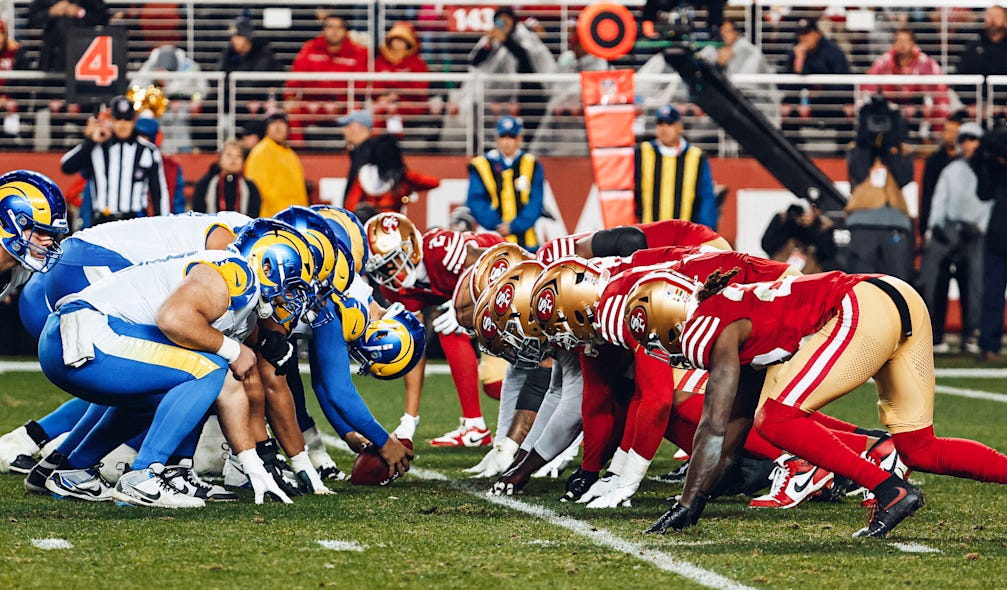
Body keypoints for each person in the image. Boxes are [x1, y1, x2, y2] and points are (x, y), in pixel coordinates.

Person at [643, 268, 1007, 538]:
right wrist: (698, 497)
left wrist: (688, 502)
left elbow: (713, 425)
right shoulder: (731, 313)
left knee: (775, 418)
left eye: (652, 339)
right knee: (920, 449)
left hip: (860, 307)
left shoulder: (703, 329)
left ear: (670, 323)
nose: (659, 350)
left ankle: (889, 489)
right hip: (898, 296)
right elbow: (735, 424)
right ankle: (893, 486)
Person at [35, 222, 313, 507]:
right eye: (293, 285)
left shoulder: (241, 300)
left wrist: (253, 464)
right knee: (209, 368)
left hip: (73, 337)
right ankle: (144, 475)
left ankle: (73, 470)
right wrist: (232, 349)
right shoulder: (236, 274)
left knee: (167, 390)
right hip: (85, 335)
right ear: (266, 266)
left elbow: (232, 391)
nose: (293, 297)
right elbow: (173, 319)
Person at [364, 212, 505, 447]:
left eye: (394, 261)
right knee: (494, 385)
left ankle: (480, 425)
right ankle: (475, 427)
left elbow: (499, 263)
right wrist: (409, 420)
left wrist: (469, 301)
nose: (391, 274)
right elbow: (414, 346)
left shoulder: (439, 248)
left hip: (510, 287)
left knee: (451, 329)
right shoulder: (395, 288)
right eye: (383, 268)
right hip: (483, 311)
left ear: (411, 247)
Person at [920, 122, 989, 354]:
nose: (968, 145)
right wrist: (934, 227)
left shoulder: (988, 169)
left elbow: (991, 202)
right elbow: (940, 199)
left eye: (972, 140)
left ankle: (972, 333)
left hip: (976, 231)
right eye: (964, 140)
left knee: (975, 281)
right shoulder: (951, 170)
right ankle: (931, 332)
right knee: (932, 275)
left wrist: (981, 227)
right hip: (949, 228)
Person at [60, 95, 170, 227]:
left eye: (127, 119)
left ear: (134, 120)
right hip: (102, 221)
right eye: (118, 119)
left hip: (135, 221)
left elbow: (159, 192)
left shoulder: (148, 151)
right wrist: (90, 142)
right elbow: (66, 166)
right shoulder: (96, 147)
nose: (123, 124)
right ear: (111, 120)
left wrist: (163, 225)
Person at [467, 116, 546, 251]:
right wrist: (496, 223)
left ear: (519, 139)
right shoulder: (481, 164)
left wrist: (515, 226)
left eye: (511, 137)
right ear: (497, 138)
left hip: (527, 241)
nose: (507, 142)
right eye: (503, 136)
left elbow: (536, 201)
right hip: (492, 238)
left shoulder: (532, 164)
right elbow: (475, 200)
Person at [286, 15, 368, 143]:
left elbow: (361, 85)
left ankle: (354, 151)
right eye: (330, 27)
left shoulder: (360, 52)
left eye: (339, 28)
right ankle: (298, 151)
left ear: (346, 31)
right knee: (292, 113)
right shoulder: (309, 48)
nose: (334, 31)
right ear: (323, 30)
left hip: (344, 104)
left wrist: (340, 99)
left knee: (358, 114)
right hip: (312, 102)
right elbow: (295, 78)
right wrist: (290, 98)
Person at [633, 105, 718, 229]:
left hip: (684, 235)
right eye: (660, 124)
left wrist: (704, 231)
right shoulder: (642, 153)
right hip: (647, 233)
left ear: (680, 127)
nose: (664, 129)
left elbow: (706, 198)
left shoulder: (696, 157)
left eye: (669, 124)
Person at [862, 28, 950, 138]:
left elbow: (938, 89)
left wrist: (925, 106)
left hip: (919, 108)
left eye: (905, 41)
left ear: (913, 43)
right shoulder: (883, 62)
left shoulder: (926, 63)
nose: (902, 45)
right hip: (889, 107)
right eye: (899, 41)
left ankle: (922, 140)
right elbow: (869, 85)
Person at [971, 129, 1007, 362]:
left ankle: (989, 344)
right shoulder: (995, 167)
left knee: (992, 292)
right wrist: (985, 161)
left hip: (998, 232)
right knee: (992, 293)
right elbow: (983, 192)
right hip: (999, 234)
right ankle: (989, 345)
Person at [133, 45, 208, 154]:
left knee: (180, 115)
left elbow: (202, 90)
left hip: (182, 110)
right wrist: (158, 100)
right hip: (156, 109)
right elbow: (135, 89)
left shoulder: (189, 67)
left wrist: (194, 102)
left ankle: (184, 150)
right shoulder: (150, 67)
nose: (163, 77)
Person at [216, 17, 284, 120]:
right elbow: (220, 79)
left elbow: (260, 83)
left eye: (238, 36)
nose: (234, 40)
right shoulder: (229, 54)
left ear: (247, 37)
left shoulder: (263, 54)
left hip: (261, 109)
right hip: (233, 107)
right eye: (233, 37)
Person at [244, 109, 309, 217]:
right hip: (271, 219)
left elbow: (300, 191)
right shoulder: (260, 153)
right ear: (266, 128)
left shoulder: (290, 154)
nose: (278, 127)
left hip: (293, 219)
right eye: (273, 123)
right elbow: (255, 192)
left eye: (282, 123)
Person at [372, 22, 430, 134]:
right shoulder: (380, 62)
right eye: (395, 39)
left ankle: (393, 139)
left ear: (409, 42)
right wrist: (388, 96)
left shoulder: (418, 63)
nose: (398, 43)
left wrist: (396, 93)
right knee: (382, 108)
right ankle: (381, 140)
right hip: (383, 102)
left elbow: (420, 88)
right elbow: (374, 86)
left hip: (412, 104)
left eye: (402, 40)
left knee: (391, 109)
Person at [27, 0, 109, 73]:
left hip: (81, 53)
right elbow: (32, 18)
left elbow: (102, 17)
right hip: (51, 55)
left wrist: (79, 12)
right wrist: (51, 12)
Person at [761, 201, 836, 274]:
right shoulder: (783, 220)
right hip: (782, 273)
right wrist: (789, 224)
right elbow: (766, 245)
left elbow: (828, 254)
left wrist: (815, 229)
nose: (804, 217)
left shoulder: (823, 227)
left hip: (808, 275)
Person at [192, 140, 262, 216]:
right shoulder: (205, 183)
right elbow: (198, 211)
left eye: (238, 156)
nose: (233, 159)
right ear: (220, 159)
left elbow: (254, 213)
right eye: (229, 155)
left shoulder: (250, 186)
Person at [957, 6, 1007, 76]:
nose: (993, 19)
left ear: (1005, 19)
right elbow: (962, 72)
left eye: (997, 16)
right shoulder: (974, 47)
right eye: (989, 15)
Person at [0, 19, 29, 139]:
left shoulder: (17, 51)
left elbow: (24, 81)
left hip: (12, 99)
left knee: (12, 108)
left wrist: (8, 97)